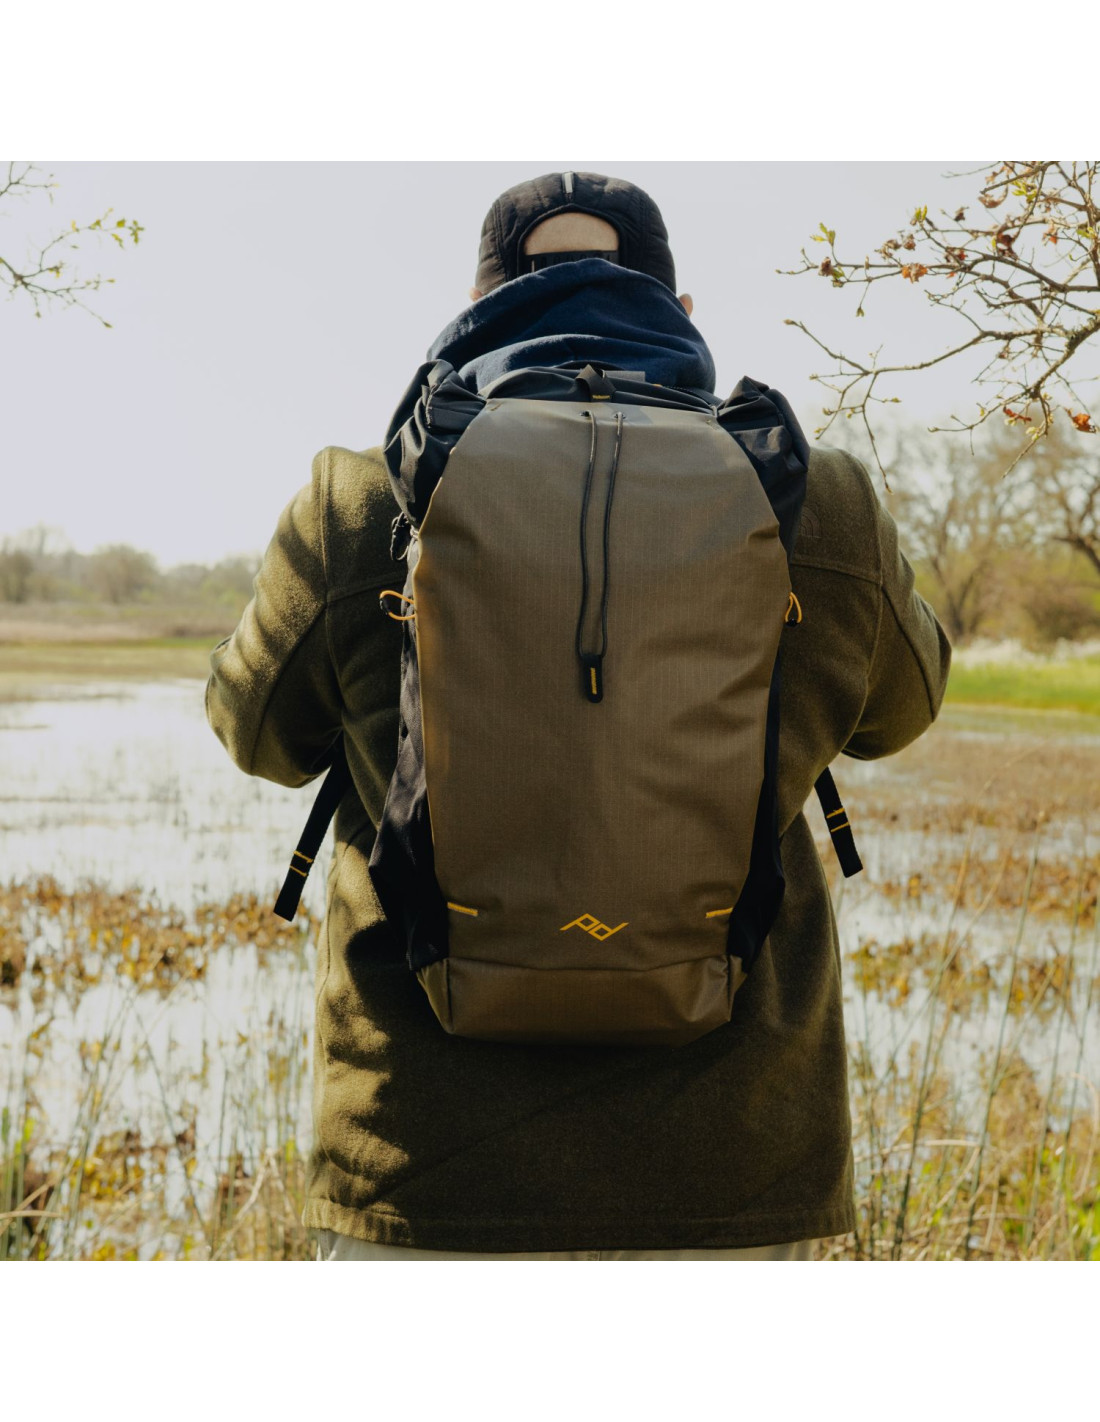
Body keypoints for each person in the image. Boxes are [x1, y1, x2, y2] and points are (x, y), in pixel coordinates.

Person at [206, 171, 951, 1261]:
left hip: (425, 1168)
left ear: (477, 306)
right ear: (678, 311)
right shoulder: (815, 496)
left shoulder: (360, 501)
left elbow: (258, 737)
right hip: (733, 1164)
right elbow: (902, 713)